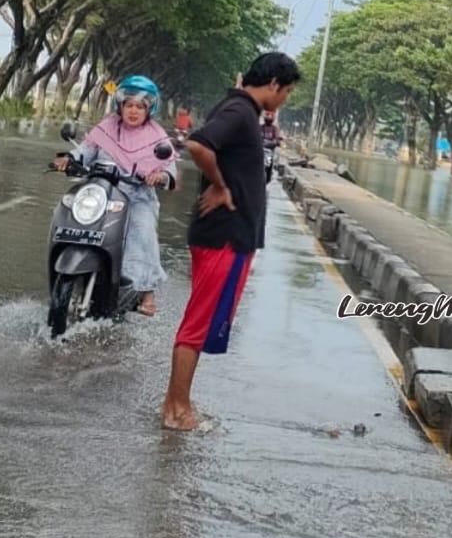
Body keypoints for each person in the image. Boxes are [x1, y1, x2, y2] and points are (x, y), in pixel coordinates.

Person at [161, 53, 301, 431]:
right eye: (286, 91)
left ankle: (175, 403)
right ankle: (177, 412)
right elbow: (199, 145)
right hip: (224, 235)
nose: (284, 98)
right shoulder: (240, 111)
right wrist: (221, 188)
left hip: (230, 236)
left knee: (200, 322)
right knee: (197, 323)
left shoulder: (242, 110)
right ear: (273, 84)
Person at [52, 74, 177, 317]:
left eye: (140, 107)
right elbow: (85, 151)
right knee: (65, 211)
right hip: (99, 192)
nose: (133, 111)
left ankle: (146, 292)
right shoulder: (106, 127)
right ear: (119, 105)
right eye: (128, 105)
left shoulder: (158, 137)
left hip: (136, 196)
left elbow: (169, 168)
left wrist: (159, 176)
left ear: (149, 109)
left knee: (143, 230)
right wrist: (69, 160)